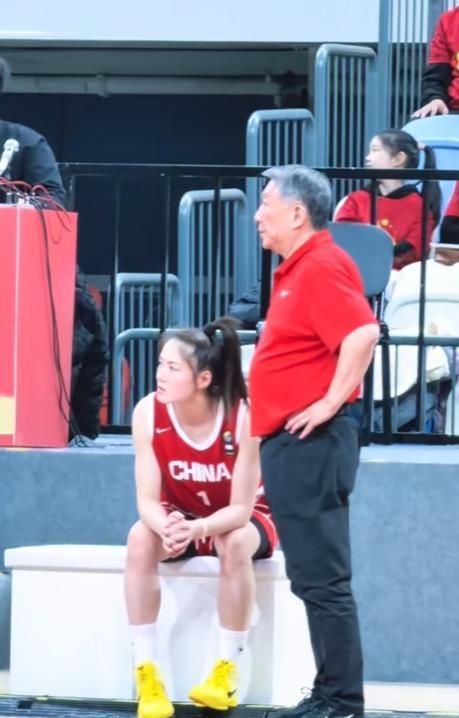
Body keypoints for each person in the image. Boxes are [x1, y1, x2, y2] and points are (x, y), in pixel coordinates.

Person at [249, 166, 380, 718]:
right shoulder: (299, 268)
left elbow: (363, 332)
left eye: (267, 205)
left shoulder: (321, 264)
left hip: (314, 442)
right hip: (295, 444)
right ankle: (331, 694)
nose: (258, 216)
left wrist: (328, 402)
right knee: (312, 577)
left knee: (322, 579)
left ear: (298, 213)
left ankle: (340, 700)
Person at [125, 317, 277, 718]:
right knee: (139, 537)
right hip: (181, 515)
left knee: (234, 541)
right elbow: (146, 499)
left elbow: (242, 510)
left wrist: (199, 528)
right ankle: (147, 673)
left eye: (172, 368)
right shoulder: (147, 412)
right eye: (160, 364)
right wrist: (168, 527)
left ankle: (225, 671)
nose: (159, 375)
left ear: (203, 379)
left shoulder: (243, 416)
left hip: (241, 517)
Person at [334, 129, 441, 270]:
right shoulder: (356, 199)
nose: (367, 157)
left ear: (398, 159)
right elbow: (341, 236)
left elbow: (415, 251)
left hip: (399, 276)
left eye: (375, 150)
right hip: (357, 270)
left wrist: (379, 261)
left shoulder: (419, 206)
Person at [412, 6, 459, 118]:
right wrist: (436, 99)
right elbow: (436, 77)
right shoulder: (448, 20)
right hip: (454, 111)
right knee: (416, 124)